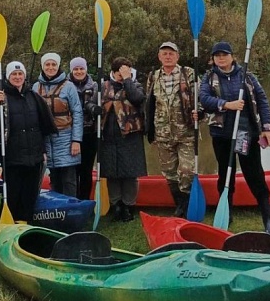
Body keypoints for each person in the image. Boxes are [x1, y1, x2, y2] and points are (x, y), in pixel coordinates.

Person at [199, 41, 270, 235]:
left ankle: (268, 219)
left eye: (224, 54)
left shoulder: (246, 77)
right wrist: (227, 104)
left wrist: (267, 128)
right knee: (225, 175)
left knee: (255, 175)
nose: (221, 58)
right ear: (213, 59)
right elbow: (204, 100)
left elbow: (262, 101)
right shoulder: (208, 78)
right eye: (217, 56)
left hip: (245, 133)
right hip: (221, 135)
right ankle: (227, 215)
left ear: (232, 57)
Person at [0, 62, 57, 222]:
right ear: (8, 77)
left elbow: (41, 125)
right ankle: (9, 221)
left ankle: (24, 221)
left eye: (20, 74)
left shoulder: (33, 96)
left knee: (30, 192)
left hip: (33, 154)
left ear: (24, 76)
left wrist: (42, 150)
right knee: (14, 191)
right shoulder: (2, 97)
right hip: (13, 155)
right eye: (13, 75)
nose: (17, 77)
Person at [144, 42, 197, 217]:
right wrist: (150, 131)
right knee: (169, 172)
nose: (168, 56)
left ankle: (186, 203)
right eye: (164, 53)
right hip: (163, 133)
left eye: (171, 53)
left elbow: (200, 97)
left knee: (187, 170)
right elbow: (149, 105)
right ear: (159, 57)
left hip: (186, 132)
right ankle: (180, 206)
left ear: (177, 56)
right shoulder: (153, 76)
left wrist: (200, 112)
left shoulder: (188, 73)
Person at [100, 57, 147, 222]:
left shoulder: (136, 85)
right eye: (119, 73)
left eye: (125, 72)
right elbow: (91, 104)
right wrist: (93, 108)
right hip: (109, 137)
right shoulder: (103, 87)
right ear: (113, 73)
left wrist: (127, 79)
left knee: (129, 173)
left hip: (130, 136)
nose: (122, 75)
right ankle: (116, 205)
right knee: (112, 173)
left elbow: (137, 99)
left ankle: (129, 206)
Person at [33, 53, 83, 197]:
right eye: (47, 65)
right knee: (54, 177)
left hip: (66, 137)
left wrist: (76, 140)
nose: (50, 67)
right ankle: (56, 209)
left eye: (53, 64)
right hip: (45, 138)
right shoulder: (36, 87)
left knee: (68, 178)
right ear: (42, 67)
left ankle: (71, 208)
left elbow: (77, 113)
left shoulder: (69, 87)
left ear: (58, 66)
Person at [68, 57, 101, 201]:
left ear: (86, 70)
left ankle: (85, 200)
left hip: (90, 133)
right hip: (71, 134)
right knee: (73, 170)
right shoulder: (66, 86)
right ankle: (73, 200)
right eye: (76, 69)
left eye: (81, 68)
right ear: (71, 70)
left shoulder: (95, 86)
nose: (79, 71)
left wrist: (97, 110)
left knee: (86, 170)